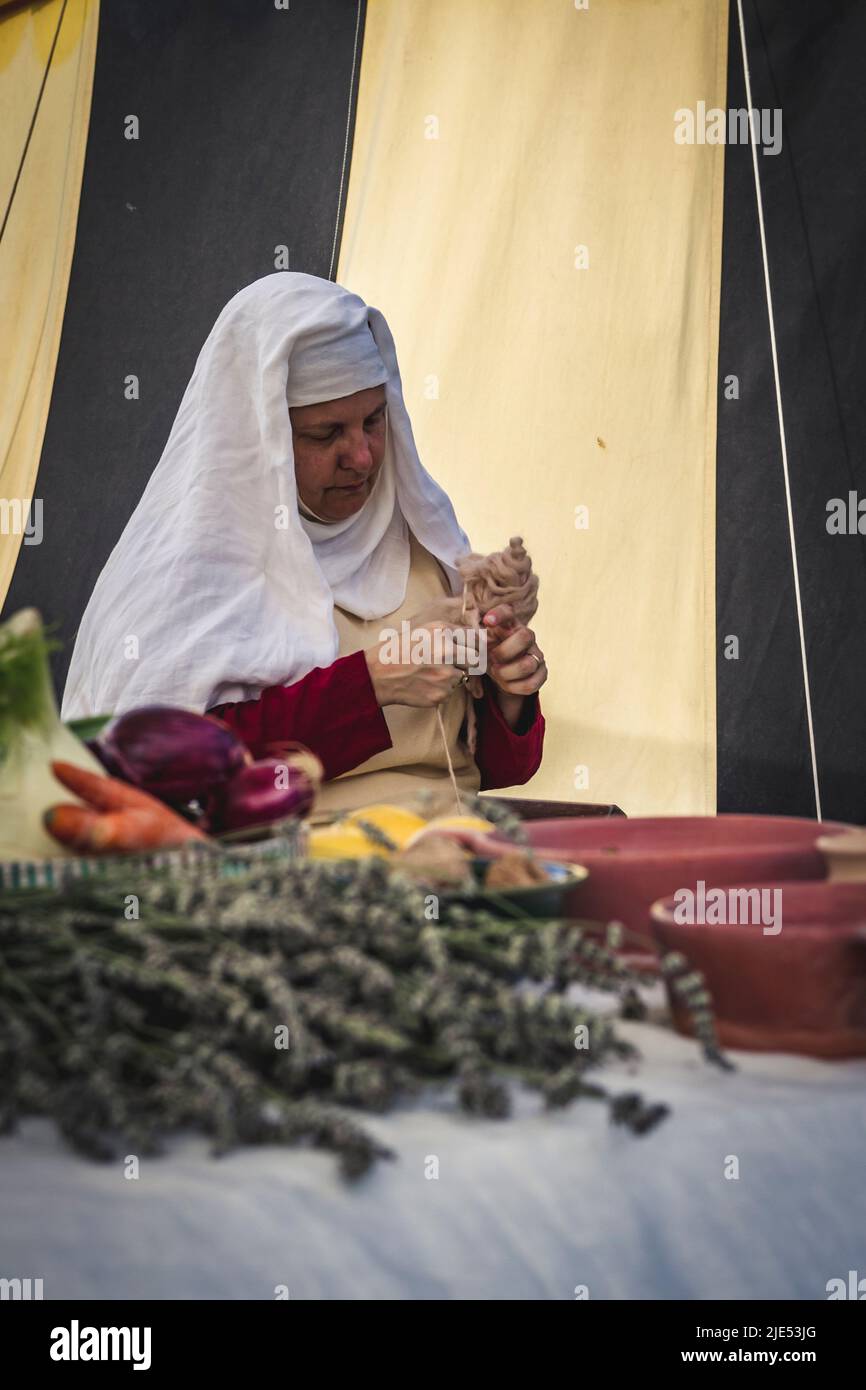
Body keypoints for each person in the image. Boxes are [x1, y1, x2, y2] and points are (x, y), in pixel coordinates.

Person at [61, 272, 548, 816]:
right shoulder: (188, 574)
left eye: (373, 421)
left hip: (450, 853)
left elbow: (493, 767)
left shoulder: (421, 541)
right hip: (283, 871)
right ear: (259, 434)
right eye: (325, 434)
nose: (361, 456)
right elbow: (157, 772)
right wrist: (370, 684)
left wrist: (511, 694)